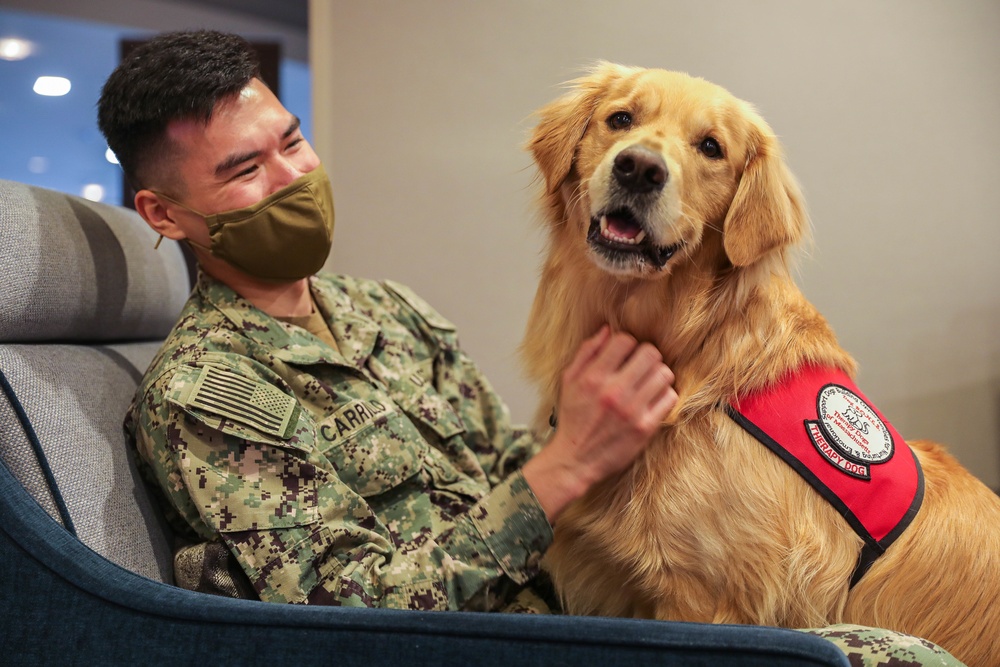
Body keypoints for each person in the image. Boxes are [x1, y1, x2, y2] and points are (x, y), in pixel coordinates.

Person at [100, 30, 961, 664]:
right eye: (245, 171)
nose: (293, 177)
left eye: (292, 142)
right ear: (165, 215)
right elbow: (347, 615)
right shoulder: (203, 390)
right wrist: (570, 460)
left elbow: (497, 457)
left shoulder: (382, 311)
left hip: (569, 605)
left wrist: (613, 445)